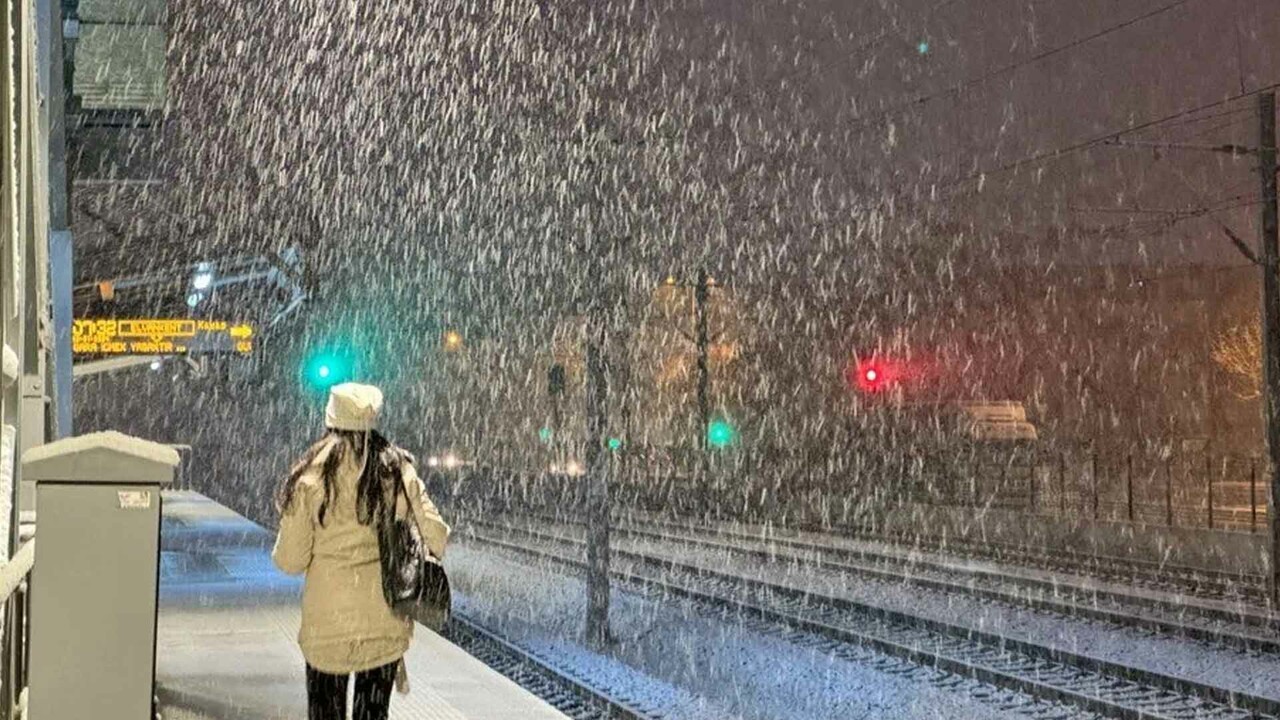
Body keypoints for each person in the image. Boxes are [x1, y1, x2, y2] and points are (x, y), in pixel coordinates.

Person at [273, 382, 450, 720]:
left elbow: (290, 561)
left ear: (330, 420)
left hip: (326, 627)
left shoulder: (312, 477)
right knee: (372, 714)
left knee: (326, 713)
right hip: (383, 620)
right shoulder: (397, 470)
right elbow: (437, 536)